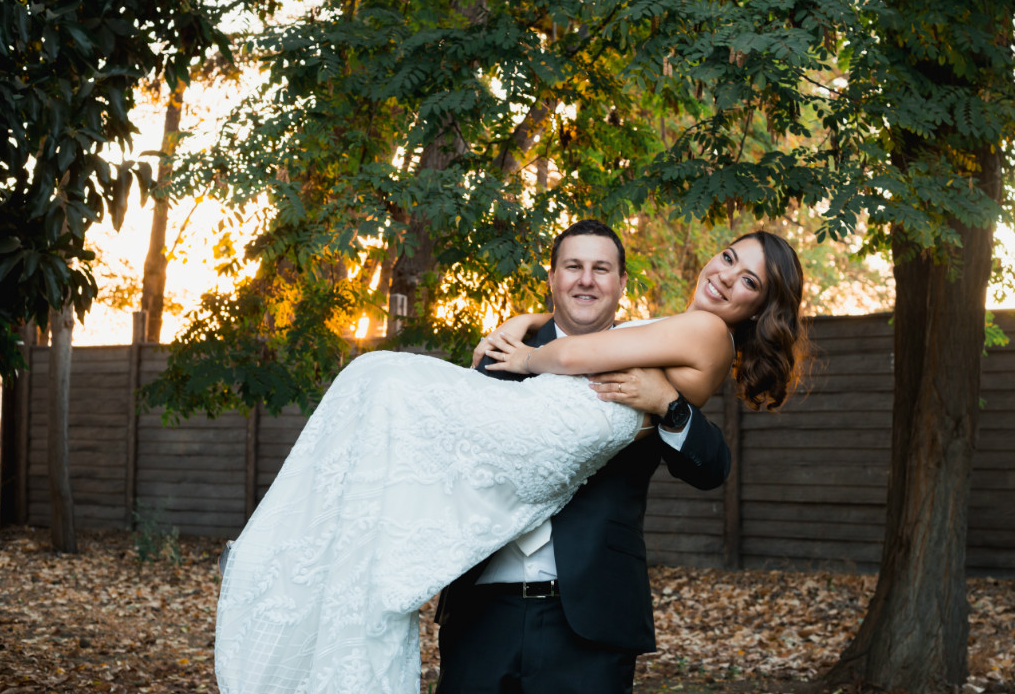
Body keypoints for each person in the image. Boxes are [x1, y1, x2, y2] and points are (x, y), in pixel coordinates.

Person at [213, 223, 808, 694]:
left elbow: (711, 465)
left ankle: (299, 558)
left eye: (750, 282)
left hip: (585, 619)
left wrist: (668, 407)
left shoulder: (698, 339)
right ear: (551, 279)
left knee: (378, 379)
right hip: (483, 612)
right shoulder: (599, 338)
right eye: (729, 257)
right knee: (376, 389)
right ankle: (310, 559)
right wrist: (529, 331)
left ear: (622, 283)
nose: (729, 277)